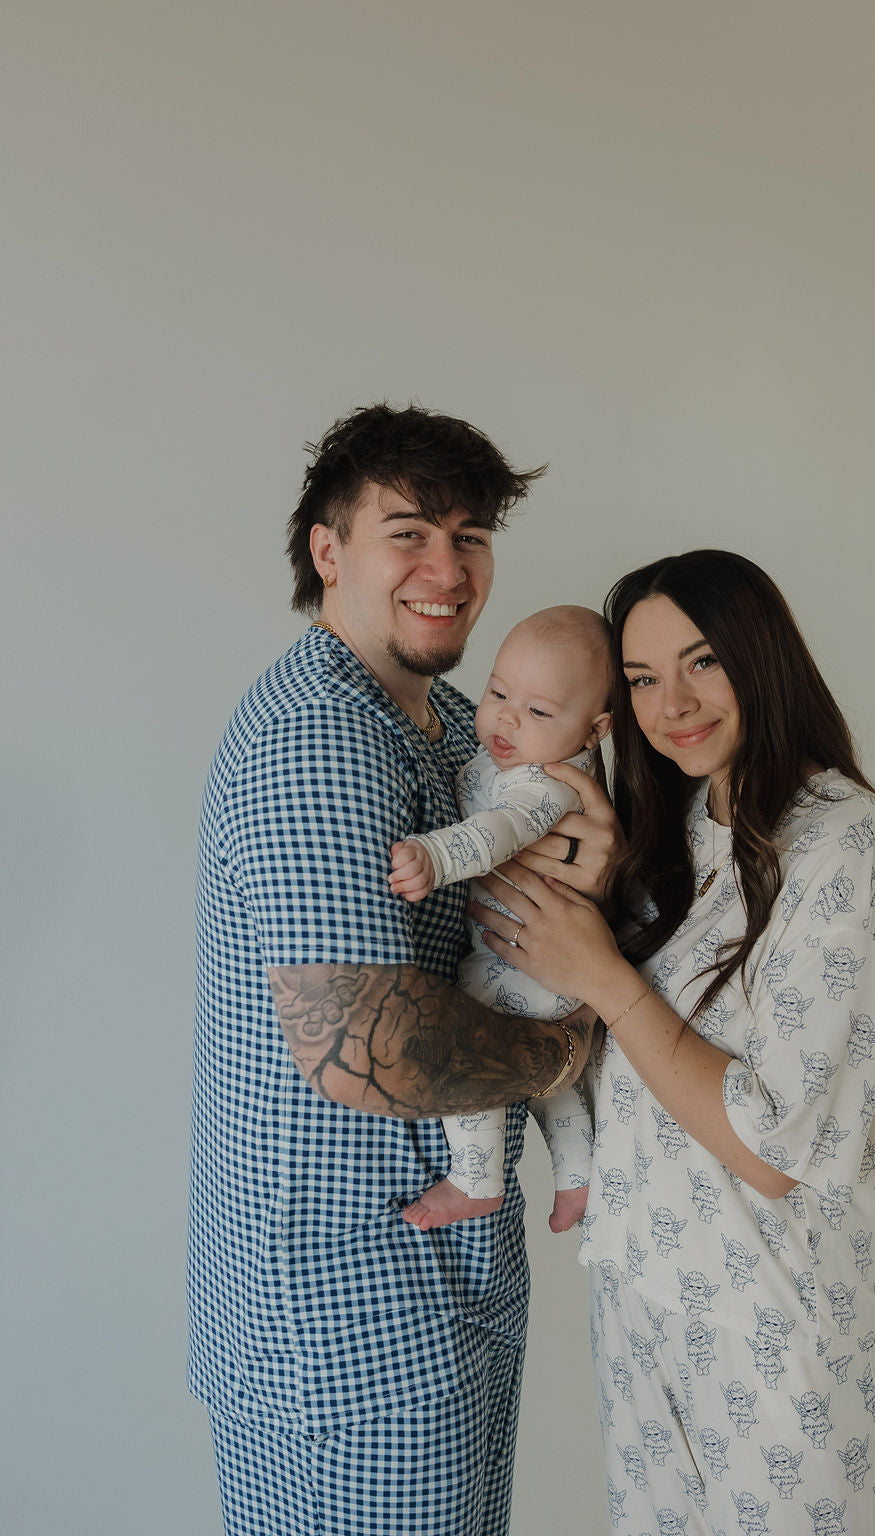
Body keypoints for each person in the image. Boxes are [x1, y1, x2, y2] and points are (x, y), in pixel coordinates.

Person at [187, 403, 614, 1536]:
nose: (448, 568)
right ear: (329, 552)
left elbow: (559, 872)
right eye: (409, 532)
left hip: (435, 1290)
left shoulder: (457, 726)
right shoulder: (320, 738)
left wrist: (598, 862)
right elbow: (370, 1051)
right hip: (347, 1322)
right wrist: (579, 1031)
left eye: (469, 537)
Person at [469, 550, 875, 1536]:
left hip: (776, 1339)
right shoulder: (670, 835)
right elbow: (604, 1050)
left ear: (759, 657)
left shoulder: (845, 841)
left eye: (700, 660)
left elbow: (773, 1149)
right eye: (640, 679)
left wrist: (600, 972)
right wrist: (588, 895)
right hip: (643, 1309)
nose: (670, 702)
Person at [388, 604, 613, 1233]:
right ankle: (577, 1180)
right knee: (560, 1090)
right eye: (499, 692)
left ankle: (476, 1179)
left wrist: (435, 856)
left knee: (471, 1041)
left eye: (539, 711)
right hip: (544, 964)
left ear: (594, 732)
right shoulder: (513, 756)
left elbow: (501, 831)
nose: (508, 717)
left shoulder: (548, 781)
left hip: (524, 959)